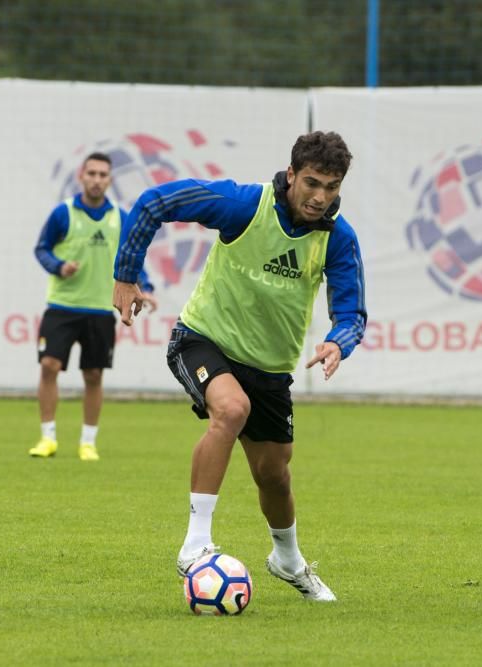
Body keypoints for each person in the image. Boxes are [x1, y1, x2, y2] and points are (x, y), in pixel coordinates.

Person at [113, 131, 366, 602]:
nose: (320, 197)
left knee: (274, 474)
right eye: (311, 183)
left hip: (269, 369)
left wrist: (338, 342)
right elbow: (152, 203)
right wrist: (126, 275)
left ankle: (287, 560)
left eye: (331, 187)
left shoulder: (338, 237)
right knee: (231, 410)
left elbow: (352, 314)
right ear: (291, 175)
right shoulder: (243, 206)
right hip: (203, 340)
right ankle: (195, 545)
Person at [31, 152, 157, 461]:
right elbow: (41, 249)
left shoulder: (121, 217)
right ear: (81, 176)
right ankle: (47, 438)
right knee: (49, 367)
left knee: (94, 375)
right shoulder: (63, 214)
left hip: (101, 310)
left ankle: (88, 442)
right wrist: (58, 266)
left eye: (103, 175)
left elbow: (134, 255)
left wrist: (147, 286)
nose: (97, 180)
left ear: (110, 180)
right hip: (62, 305)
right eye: (92, 174)